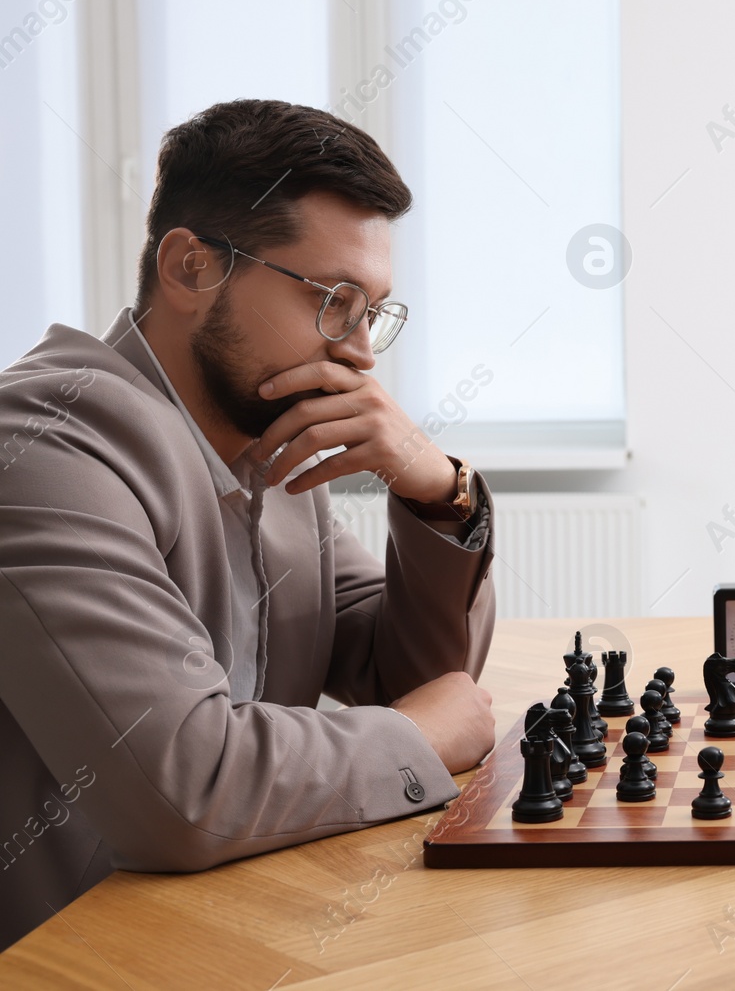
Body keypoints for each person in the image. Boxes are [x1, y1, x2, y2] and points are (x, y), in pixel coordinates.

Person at [0, 100, 498, 949]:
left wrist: (435, 490)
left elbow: (407, 669)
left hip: (246, 928)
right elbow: (186, 788)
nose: (362, 352)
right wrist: (422, 736)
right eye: (333, 300)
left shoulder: (270, 447)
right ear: (192, 267)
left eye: (372, 310)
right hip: (81, 962)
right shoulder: (43, 448)